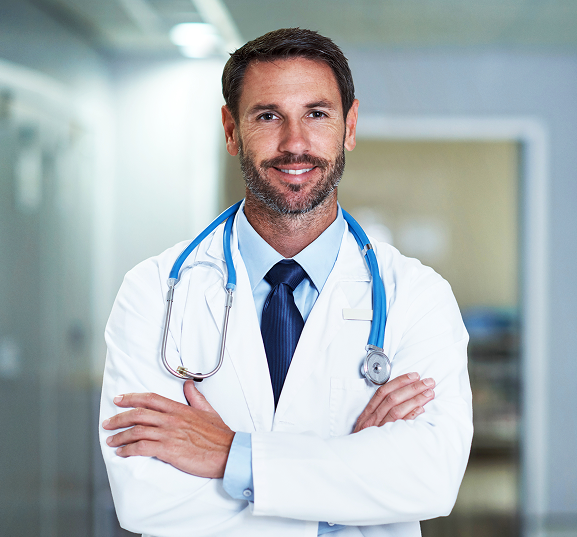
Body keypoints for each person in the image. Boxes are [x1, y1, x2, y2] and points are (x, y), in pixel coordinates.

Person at [100, 28, 473, 537]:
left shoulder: (418, 296)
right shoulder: (153, 293)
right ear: (232, 130)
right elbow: (146, 498)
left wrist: (231, 456)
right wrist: (346, 484)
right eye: (268, 116)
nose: (294, 143)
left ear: (350, 126)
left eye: (317, 114)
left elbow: (429, 478)